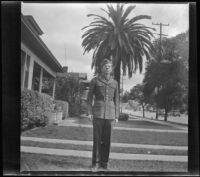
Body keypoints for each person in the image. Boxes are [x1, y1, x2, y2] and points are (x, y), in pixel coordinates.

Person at [87, 58, 119, 171]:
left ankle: (104, 164)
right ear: (101, 68)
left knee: (107, 140)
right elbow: (89, 97)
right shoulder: (95, 81)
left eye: (109, 66)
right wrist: (89, 112)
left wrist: (116, 116)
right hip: (98, 113)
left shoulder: (115, 83)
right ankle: (95, 164)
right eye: (105, 66)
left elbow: (117, 100)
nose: (107, 68)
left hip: (110, 115)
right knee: (97, 139)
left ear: (111, 68)